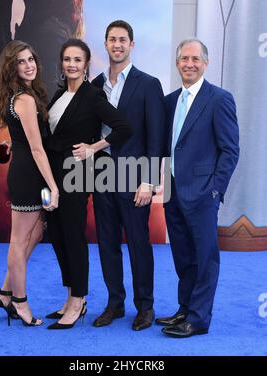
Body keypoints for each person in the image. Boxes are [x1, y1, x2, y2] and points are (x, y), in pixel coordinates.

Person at [45, 38, 131, 330]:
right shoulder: (57, 94)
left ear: (86, 64)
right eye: (67, 59)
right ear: (62, 63)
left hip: (77, 173)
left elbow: (123, 128)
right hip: (52, 173)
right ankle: (70, 296)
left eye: (77, 60)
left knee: (72, 235)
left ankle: (79, 299)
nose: (72, 64)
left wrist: (94, 147)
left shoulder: (93, 96)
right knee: (56, 235)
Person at [156, 38, 239, 337]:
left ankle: (199, 319)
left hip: (204, 194)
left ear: (205, 63)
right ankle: (185, 309)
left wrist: (215, 190)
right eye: (184, 59)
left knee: (205, 258)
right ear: (177, 63)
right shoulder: (168, 101)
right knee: (183, 256)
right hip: (173, 192)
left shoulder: (219, 99)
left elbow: (230, 150)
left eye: (195, 59)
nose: (189, 63)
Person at [92, 20, 165, 331]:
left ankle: (144, 307)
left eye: (122, 40)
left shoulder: (148, 84)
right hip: (101, 175)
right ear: (105, 44)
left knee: (138, 244)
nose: (117, 44)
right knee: (106, 243)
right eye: (112, 39)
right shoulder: (94, 85)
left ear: (131, 45)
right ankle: (114, 304)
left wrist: (149, 181)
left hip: (136, 179)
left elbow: (156, 136)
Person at [0, 40, 59, 327]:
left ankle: (5, 294)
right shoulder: (25, 99)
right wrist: (53, 186)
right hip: (29, 174)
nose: (29, 64)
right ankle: (20, 303)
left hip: (24, 171)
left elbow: (22, 139)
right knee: (20, 241)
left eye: (31, 58)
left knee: (34, 235)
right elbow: (36, 148)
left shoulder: (16, 96)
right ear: (12, 67)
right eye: (21, 61)